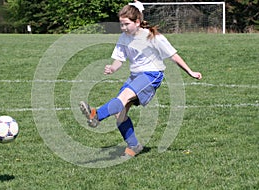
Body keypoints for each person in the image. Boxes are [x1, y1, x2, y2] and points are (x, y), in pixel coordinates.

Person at [79, 4, 202, 158]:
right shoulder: (123, 37)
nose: (123, 27)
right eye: (121, 24)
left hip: (152, 74)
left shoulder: (152, 36)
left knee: (122, 98)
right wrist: (112, 68)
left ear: (137, 22)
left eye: (126, 24)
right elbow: (119, 59)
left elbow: (173, 55)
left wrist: (190, 71)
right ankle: (134, 146)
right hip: (135, 76)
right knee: (120, 114)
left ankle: (96, 115)